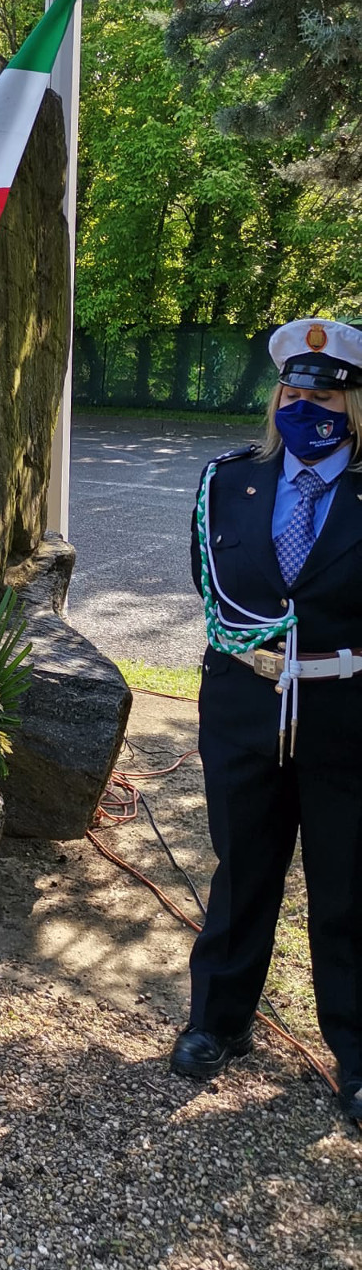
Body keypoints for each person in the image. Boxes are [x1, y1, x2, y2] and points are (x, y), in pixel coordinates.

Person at [171, 316, 362, 1124]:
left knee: (348, 888)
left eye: (326, 390)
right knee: (242, 866)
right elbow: (216, 591)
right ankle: (219, 1022)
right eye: (294, 387)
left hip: (346, 714)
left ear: (354, 402)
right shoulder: (231, 479)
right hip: (246, 705)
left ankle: (355, 1056)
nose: (306, 401)